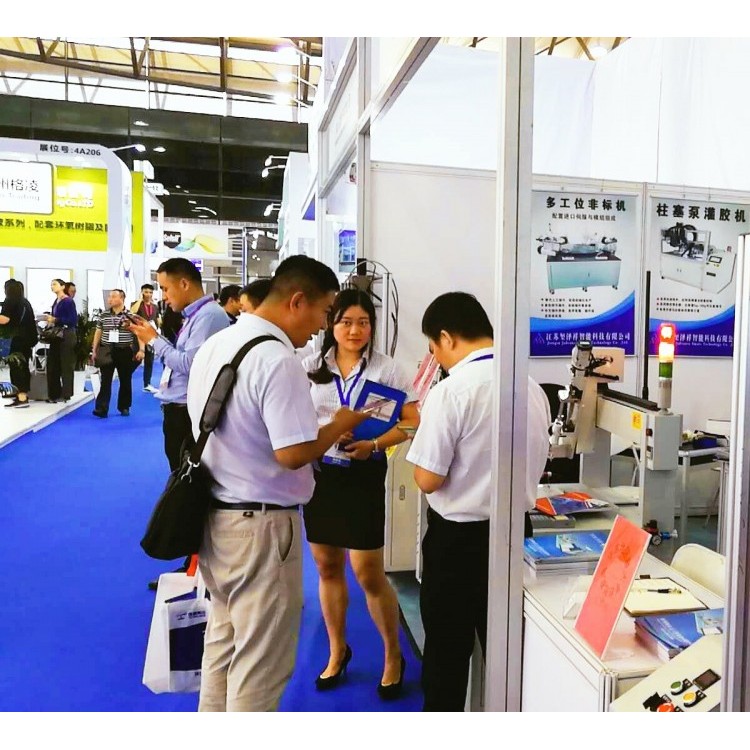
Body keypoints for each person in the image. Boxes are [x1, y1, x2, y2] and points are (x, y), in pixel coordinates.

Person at [185, 255, 369, 712]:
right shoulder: (278, 359)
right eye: (325, 312)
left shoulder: (218, 344)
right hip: (261, 529)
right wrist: (338, 425)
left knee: (224, 645)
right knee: (260, 665)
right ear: (297, 301)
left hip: (216, 515)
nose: (323, 326)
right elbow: (292, 454)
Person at [405, 292, 550, 712]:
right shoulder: (530, 386)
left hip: (458, 544)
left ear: (446, 338)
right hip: (517, 537)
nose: (436, 358)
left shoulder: (451, 392)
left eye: (433, 348)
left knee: (447, 659)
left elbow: (428, 479)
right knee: (508, 654)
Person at [302, 288, 420, 698]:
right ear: (331, 325)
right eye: (346, 322)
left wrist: (375, 443)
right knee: (327, 566)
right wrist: (324, 432)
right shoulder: (310, 366)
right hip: (321, 476)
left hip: (364, 473)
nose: (355, 331)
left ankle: (393, 654)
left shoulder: (387, 370)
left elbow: (412, 421)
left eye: (364, 323)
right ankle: (338, 651)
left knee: (368, 571)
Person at [128, 258, 230, 587]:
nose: (164, 296)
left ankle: (196, 565)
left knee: (189, 488)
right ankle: (193, 563)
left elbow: (189, 364)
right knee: (184, 486)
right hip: (179, 409)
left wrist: (154, 340)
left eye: (165, 288)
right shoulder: (197, 316)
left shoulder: (210, 316)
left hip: (188, 413)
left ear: (184, 283)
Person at [91, 289, 144, 417]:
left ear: (122, 298)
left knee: (125, 379)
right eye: (109, 297)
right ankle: (101, 408)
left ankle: (124, 406)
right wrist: (94, 350)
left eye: (114, 296)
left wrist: (141, 350)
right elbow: (98, 332)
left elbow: (139, 333)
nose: (110, 299)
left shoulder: (131, 316)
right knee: (105, 380)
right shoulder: (104, 315)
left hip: (124, 350)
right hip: (107, 350)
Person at [0, 279, 37, 408]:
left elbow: (5, 319)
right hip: (28, 339)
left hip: (16, 339)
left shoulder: (10, 301)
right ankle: (22, 394)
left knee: (16, 367)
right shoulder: (25, 302)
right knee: (23, 366)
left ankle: (21, 397)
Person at [45, 278, 78, 403]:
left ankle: (66, 393)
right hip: (56, 335)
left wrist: (56, 320)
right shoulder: (56, 301)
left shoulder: (68, 301)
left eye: (55, 284)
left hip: (66, 334)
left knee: (66, 365)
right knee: (53, 364)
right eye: (51, 284)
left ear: (63, 286)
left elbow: (73, 320)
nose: (52, 286)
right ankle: (54, 393)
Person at [130, 283, 160, 392]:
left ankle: (147, 384)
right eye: (146, 292)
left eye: (150, 292)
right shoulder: (136, 304)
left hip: (150, 336)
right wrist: (140, 299)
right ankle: (125, 375)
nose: (148, 294)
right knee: (137, 359)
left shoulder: (155, 307)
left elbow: (157, 319)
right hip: (138, 336)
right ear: (142, 292)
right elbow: (132, 312)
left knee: (149, 361)